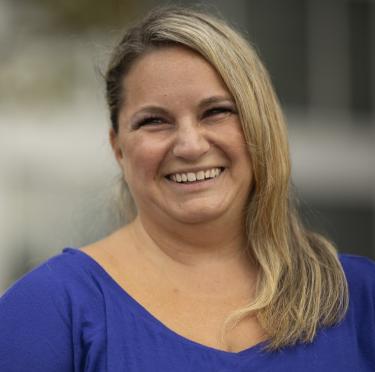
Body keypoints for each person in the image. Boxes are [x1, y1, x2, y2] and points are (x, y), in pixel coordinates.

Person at [1, 6, 374, 372]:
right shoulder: (49, 310)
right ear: (118, 149)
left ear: (262, 125)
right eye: (154, 121)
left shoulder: (361, 298)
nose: (190, 146)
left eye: (216, 112)